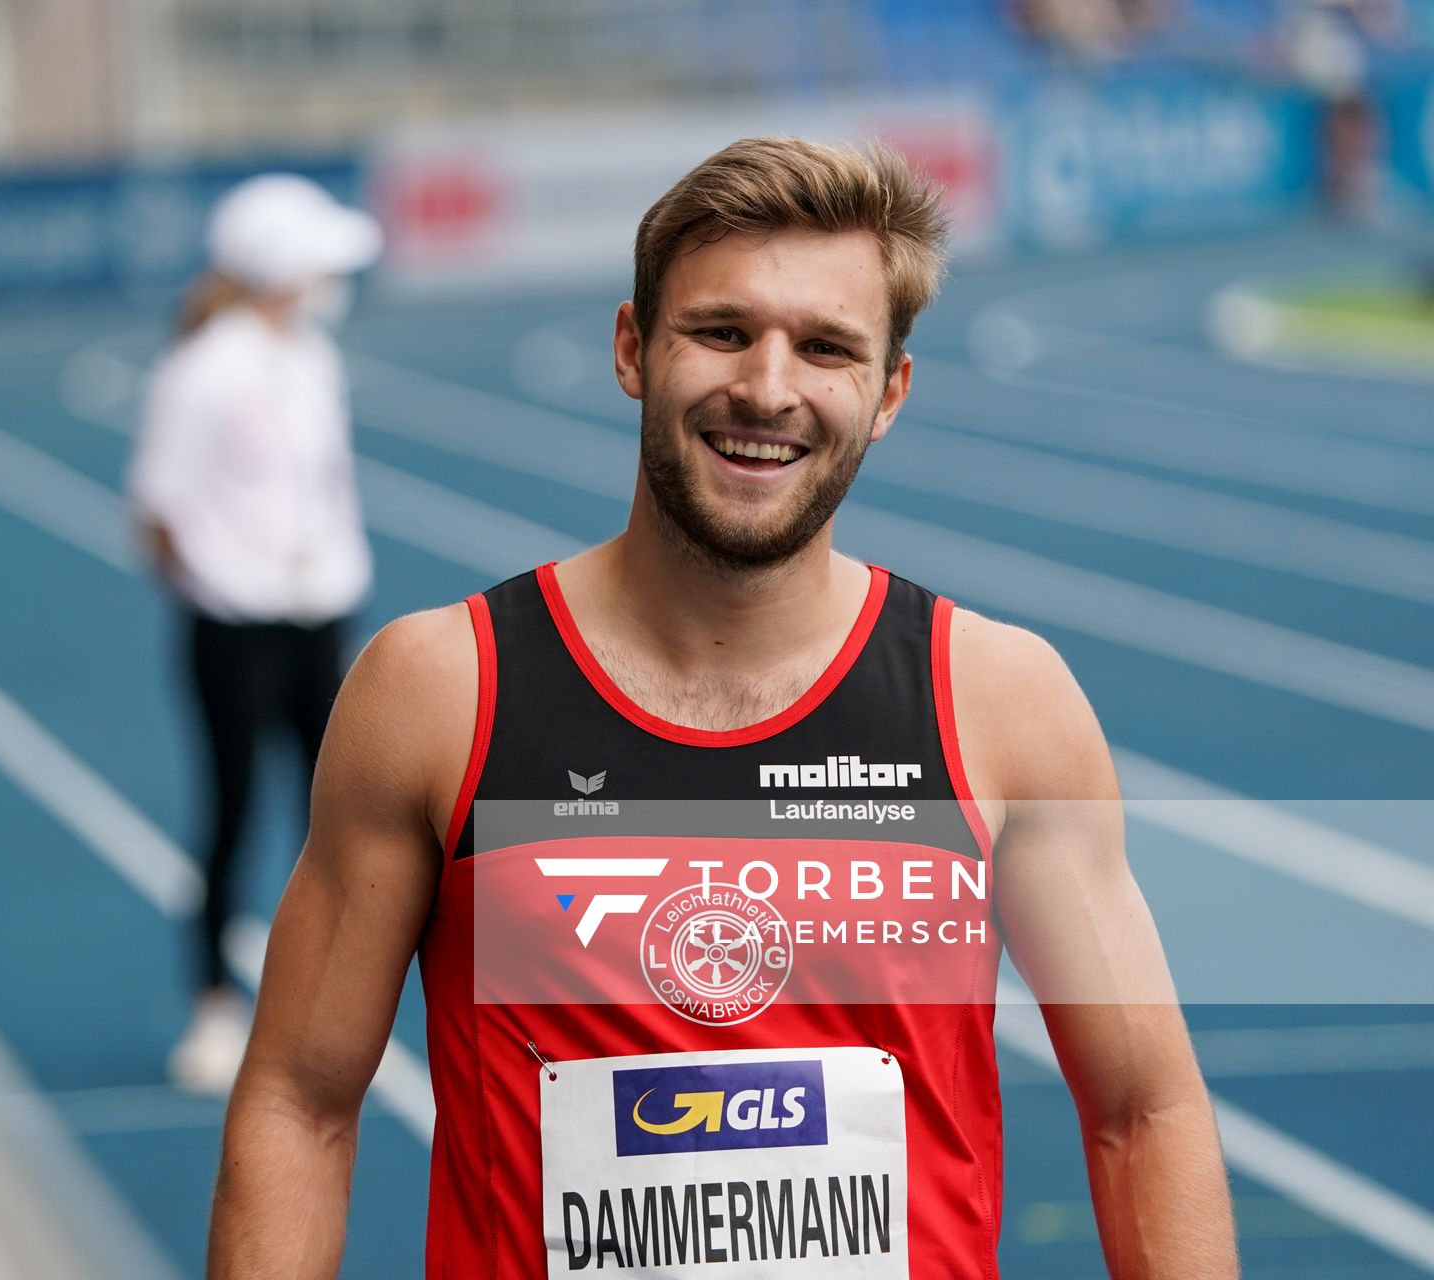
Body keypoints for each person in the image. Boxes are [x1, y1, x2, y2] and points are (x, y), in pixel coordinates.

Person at [210, 138, 1237, 1276]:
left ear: (889, 391)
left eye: (828, 347)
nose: (767, 387)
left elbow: (1144, 1109)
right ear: (632, 347)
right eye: (722, 330)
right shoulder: (441, 690)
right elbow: (300, 1103)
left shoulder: (999, 700)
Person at [126, 174, 380, 1094]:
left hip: (320, 619)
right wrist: (225, 585)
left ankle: (331, 996)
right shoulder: (206, 369)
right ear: (279, 266)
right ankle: (211, 1008)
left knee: (342, 809)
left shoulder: (312, 356)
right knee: (232, 811)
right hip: (236, 629)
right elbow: (157, 509)